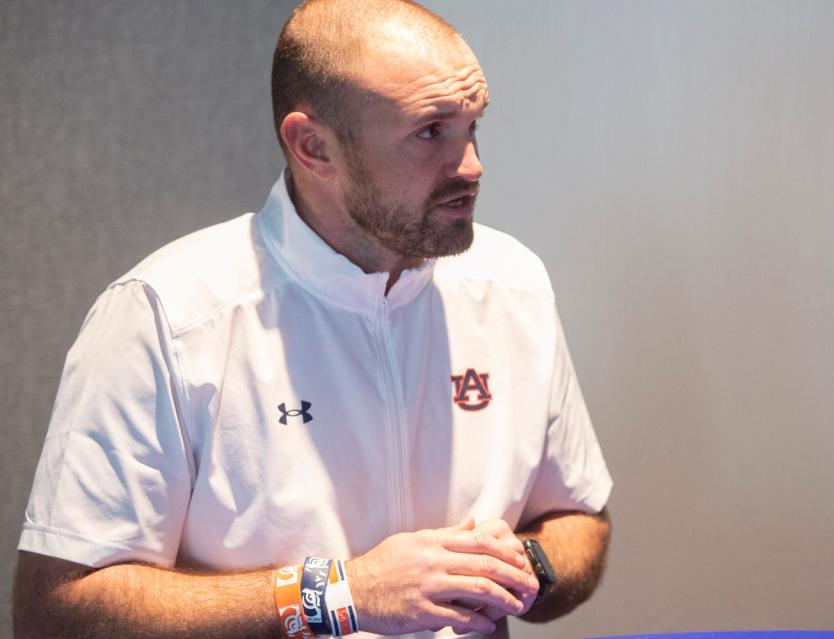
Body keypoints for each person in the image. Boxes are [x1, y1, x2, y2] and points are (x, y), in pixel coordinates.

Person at [13, 1, 612, 637]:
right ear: (312, 146)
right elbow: (56, 612)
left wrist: (524, 566)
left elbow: (581, 520)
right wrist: (342, 595)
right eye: (431, 132)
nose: (470, 166)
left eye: (473, 127)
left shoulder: (513, 284)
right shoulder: (169, 314)